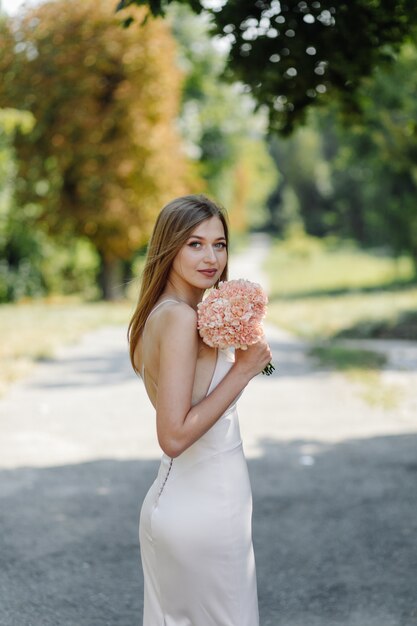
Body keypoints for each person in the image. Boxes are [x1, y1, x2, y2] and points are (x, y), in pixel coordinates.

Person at [128, 194, 272, 626]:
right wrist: (243, 370)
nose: (211, 257)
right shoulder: (177, 320)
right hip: (205, 510)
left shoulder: (171, 312)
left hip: (191, 504)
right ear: (168, 247)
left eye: (220, 244)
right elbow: (172, 436)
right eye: (194, 244)